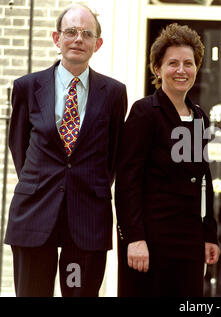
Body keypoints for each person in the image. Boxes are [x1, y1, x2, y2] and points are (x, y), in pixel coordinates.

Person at [5, 4, 127, 297]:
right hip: (35, 214)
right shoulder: (27, 87)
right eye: (70, 32)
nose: (78, 39)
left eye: (87, 34)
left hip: (86, 220)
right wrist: (43, 182)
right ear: (56, 38)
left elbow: (112, 156)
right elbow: (19, 145)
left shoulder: (113, 93)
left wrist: (84, 186)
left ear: (97, 44)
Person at [115, 23, 220, 297]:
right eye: (173, 63)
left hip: (189, 241)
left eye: (188, 63)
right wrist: (134, 238)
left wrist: (210, 233)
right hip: (150, 242)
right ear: (157, 69)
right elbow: (127, 181)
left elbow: (204, 180)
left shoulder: (199, 116)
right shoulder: (144, 113)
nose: (181, 70)